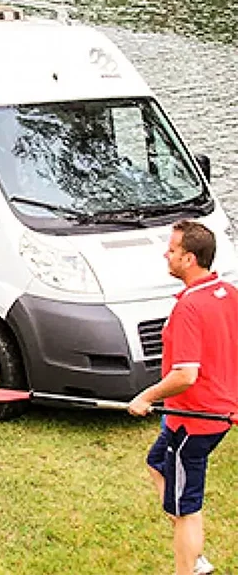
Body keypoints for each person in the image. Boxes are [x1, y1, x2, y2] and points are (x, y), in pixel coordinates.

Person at [128, 220, 238, 575]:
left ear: (189, 259)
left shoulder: (189, 308)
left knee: (187, 506)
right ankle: (194, 553)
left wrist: (146, 395)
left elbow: (185, 374)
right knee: (157, 464)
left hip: (196, 421)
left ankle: (188, 566)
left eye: (172, 250)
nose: (166, 254)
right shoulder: (227, 293)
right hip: (193, 416)